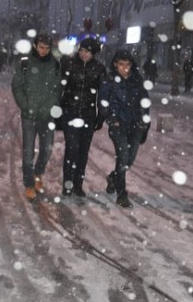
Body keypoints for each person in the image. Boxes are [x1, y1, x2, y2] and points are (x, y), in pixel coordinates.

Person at [11, 33, 62, 201]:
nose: (44, 51)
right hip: (29, 116)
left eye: (47, 48)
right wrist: (25, 106)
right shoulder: (25, 63)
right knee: (28, 152)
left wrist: (53, 105)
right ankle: (29, 184)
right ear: (35, 45)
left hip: (47, 116)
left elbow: (57, 89)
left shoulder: (55, 64)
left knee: (47, 150)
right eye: (41, 47)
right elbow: (17, 86)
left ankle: (38, 174)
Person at [98, 50, 151, 208]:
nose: (125, 68)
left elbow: (145, 101)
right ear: (115, 64)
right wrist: (111, 119)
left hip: (136, 126)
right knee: (122, 158)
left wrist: (144, 122)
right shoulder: (109, 81)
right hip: (118, 125)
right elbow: (102, 103)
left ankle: (113, 178)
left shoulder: (136, 80)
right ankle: (122, 194)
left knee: (129, 160)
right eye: (121, 64)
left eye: (127, 65)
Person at [59, 37, 107, 197]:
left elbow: (103, 94)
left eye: (87, 51)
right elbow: (60, 87)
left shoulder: (99, 68)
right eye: (81, 50)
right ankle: (67, 184)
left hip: (88, 114)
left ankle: (78, 184)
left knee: (83, 151)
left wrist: (101, 115)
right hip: (70, 112)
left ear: (93, 53)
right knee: (72, 147)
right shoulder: (70, 64)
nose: (83, 54)